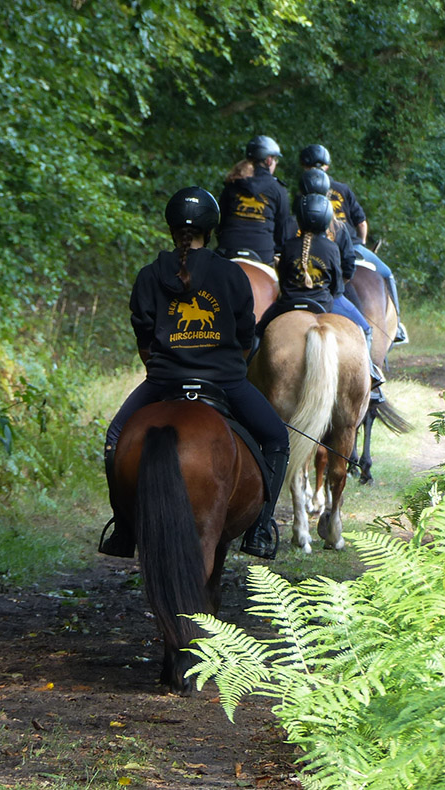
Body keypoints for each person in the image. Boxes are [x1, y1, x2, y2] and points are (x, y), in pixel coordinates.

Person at [99, 186, 289, 561]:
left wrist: (168, 370)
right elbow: (245, 338)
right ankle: (262, 529)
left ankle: (123, 529)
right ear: (212, 228)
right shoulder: (233, 275)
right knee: (277, 438)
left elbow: (145, 342)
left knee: (116, 437)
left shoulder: (149, 276)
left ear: (171, 228)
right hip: (226, 383)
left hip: (163, 382)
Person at [258, 193, 385, 390]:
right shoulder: (332, 247)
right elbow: (336, 285)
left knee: (259, 330)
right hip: (324, 303)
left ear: (299, 219)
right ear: (327, 219)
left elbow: (282, 279)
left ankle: (250, 364)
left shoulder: (289, 246)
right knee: (365, 328)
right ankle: (370, 371)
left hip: (289, 303)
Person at [298, 144, 408, 344]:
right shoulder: (342, 189)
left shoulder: (302, 194)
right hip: (351, 245)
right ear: (327, 167)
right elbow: (361, 223)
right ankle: (397, 325)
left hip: (314, 246)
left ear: (304, 167)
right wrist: (362, 243)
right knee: (386, 273)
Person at [215, 135, 291, 266]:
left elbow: (220, 221)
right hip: (263, 253)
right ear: (268, 161)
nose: (276, 163)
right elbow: (282, 230)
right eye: (275, 159)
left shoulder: (232, 184)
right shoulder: (278, 190)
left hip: (229, 249)